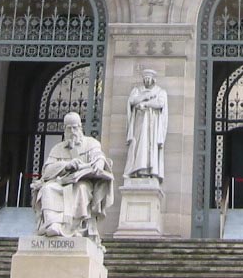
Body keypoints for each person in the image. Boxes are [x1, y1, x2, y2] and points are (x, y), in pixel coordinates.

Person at [32, 112, 115, 240]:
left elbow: (98, 156)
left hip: (83, 183)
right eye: (69, 128)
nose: (72, 131)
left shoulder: (91, 143)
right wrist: (66, 165)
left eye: (75, 127)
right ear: (64, 129)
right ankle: (53, 224)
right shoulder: (57, 148)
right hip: (61, 182)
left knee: (81, 189)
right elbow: (47, 170)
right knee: (47, 189)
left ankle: (75, 228)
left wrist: (99, 162)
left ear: (80, 127)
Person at [124, 69, 169, 179]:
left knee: (150, 146)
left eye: (149, 79)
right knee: (138, 144)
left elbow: (160, 103)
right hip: (139, 123)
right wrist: (143, 98)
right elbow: (132, 101)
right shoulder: (137, 90)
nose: (147, 81)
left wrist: (145, 104)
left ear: (153, 80)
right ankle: (136, 169)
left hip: (153, 125)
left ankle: (150, 170)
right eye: (145, 79)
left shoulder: (160, 91)